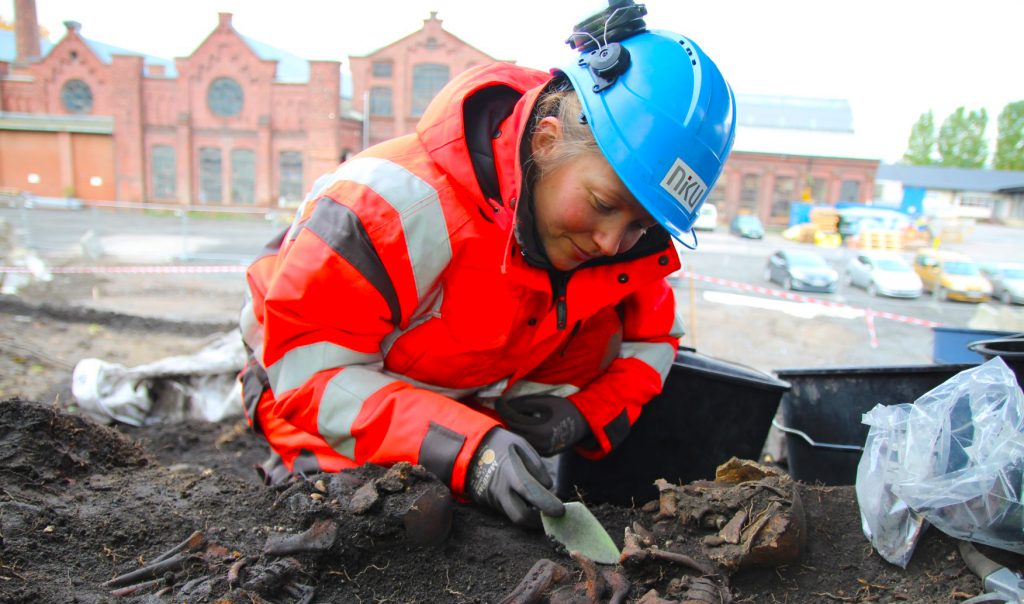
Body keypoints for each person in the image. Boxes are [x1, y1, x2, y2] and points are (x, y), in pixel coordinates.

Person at [238, 1, 736, 527]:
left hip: (463, 386)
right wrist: (466, 448)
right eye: (604, 204)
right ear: (546, 141)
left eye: (641, 224)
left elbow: (654, 341)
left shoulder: (618, 245)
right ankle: (307, 465)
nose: (614, 242)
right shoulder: (389, 205)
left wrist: (583, 417)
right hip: (302, 377)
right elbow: (308, 373)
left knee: (603, 334)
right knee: (395, 516)